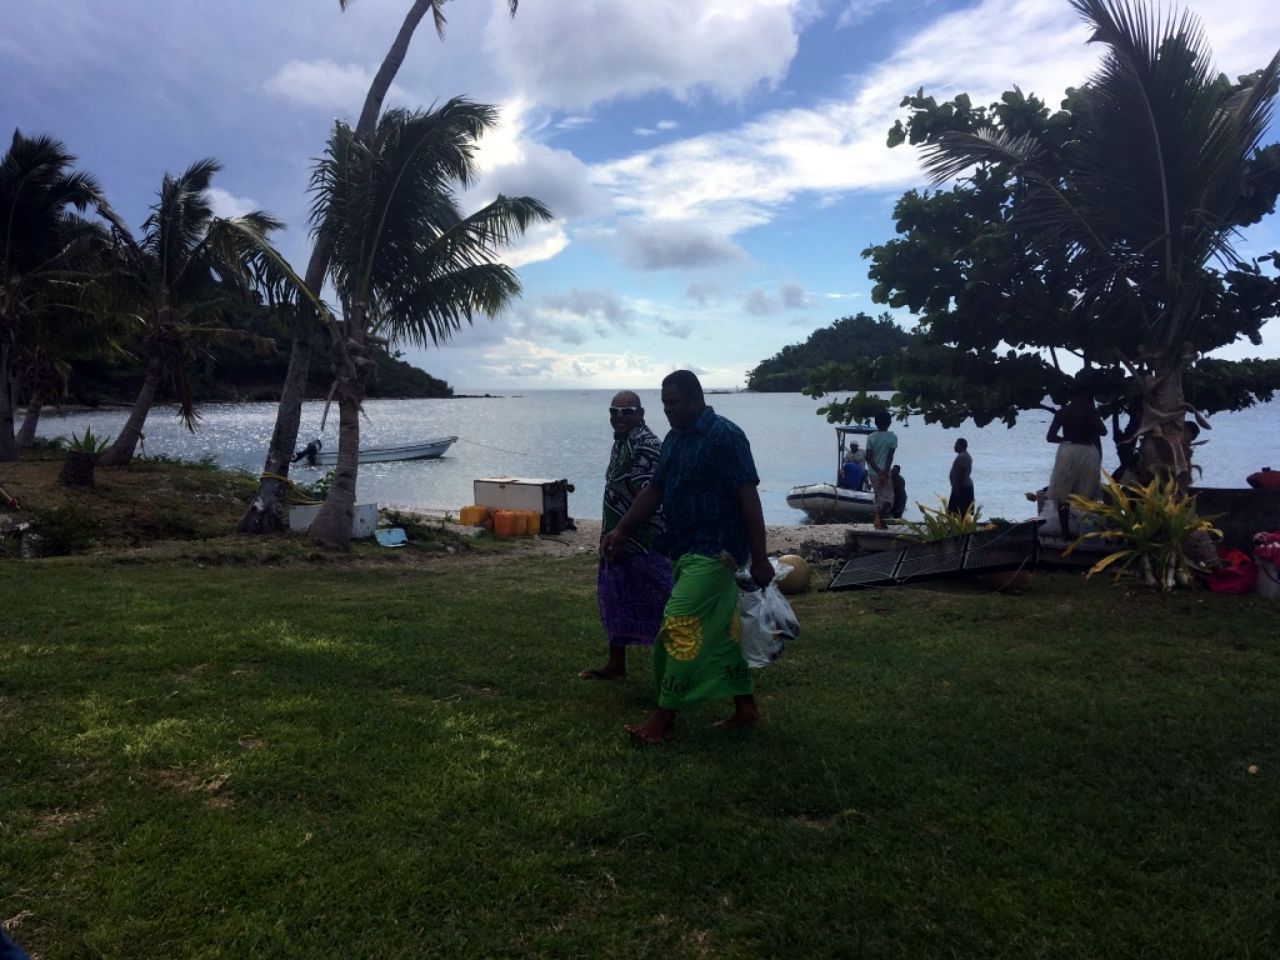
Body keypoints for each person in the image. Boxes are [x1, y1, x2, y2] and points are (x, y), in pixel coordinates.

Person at [600, 370, 773, 745]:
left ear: (696, 398)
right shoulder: (675, 440)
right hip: (684, 547)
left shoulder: (726, 436)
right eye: (664, 405)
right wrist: (621, 530)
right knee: (724, 634)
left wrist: (760, 557)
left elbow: (749, 497)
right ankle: (746, 709)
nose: (668, 412)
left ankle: (665, 717)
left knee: (678, 625)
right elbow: (655, 490)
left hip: (719, 550)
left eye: (673, 404)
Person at [580, 391, 673, 681]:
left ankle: (678, 665)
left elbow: (650, 494)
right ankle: (616, 665)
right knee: (615, 596)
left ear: (641, 413)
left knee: (663, 601)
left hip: (644, 540)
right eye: (614, 412)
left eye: (627, 411)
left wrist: (624, 530)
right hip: (617, 536)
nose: (619, 417)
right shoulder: (622, 442)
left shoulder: (645, 444)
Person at [1046, 381, 1107, 537]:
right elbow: (1103, 431)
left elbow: (1050, 437)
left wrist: (1066, 440)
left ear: (1071, 397)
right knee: (1087, 493)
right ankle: (1085, 531)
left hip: (1067, 452)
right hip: (1088, 452)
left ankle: (1065, 531)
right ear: (1085, 396)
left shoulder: (1063, 412)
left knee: (1062, 493)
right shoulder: (1090, 411)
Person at [864, 411, 898, 529]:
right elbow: (889, 457)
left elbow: (868, 457)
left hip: (873, 472)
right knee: (889, 498)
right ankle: (878, 515)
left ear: (876, 423)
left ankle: (880, 522)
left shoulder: (871, 437)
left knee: (879, 497)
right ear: (889, 423)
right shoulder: (892, 437)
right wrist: (884, 472)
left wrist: (878, 472)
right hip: (885, 472)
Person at [947, 438, 974, 516]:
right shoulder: (963, 455)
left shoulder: (963, 457)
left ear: (961, 446)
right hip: (961, 487)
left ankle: (959, 528)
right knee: (958, 512)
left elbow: (961, 473)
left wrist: (956, 488)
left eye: (956, 444)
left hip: (962, 488)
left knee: (959, 512)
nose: (954, 446)